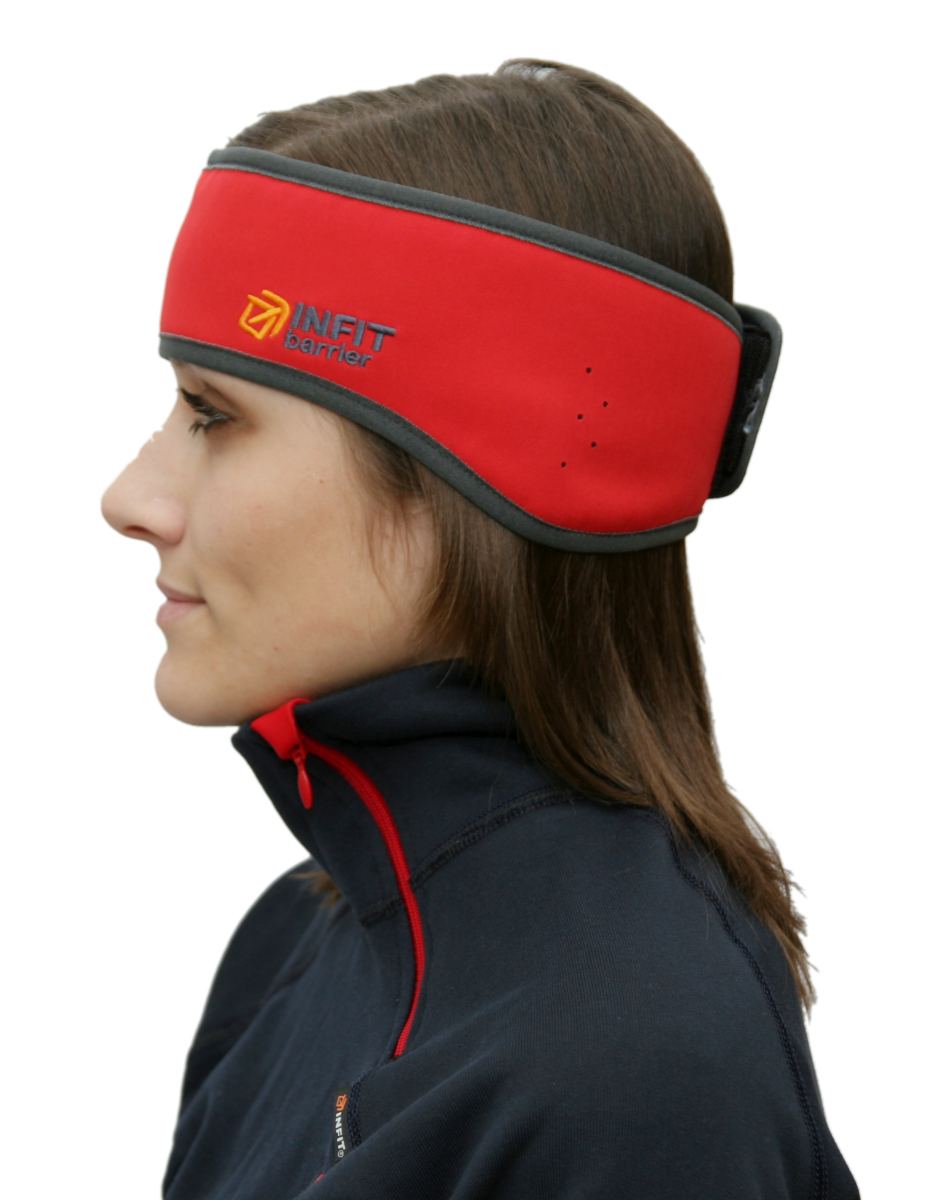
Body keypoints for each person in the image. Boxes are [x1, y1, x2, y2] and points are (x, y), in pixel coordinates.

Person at [100, 57, 860, 1199]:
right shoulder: (294, 948)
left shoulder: (636, 1069)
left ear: (470, 471)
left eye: (213, 415)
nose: (130, 498)